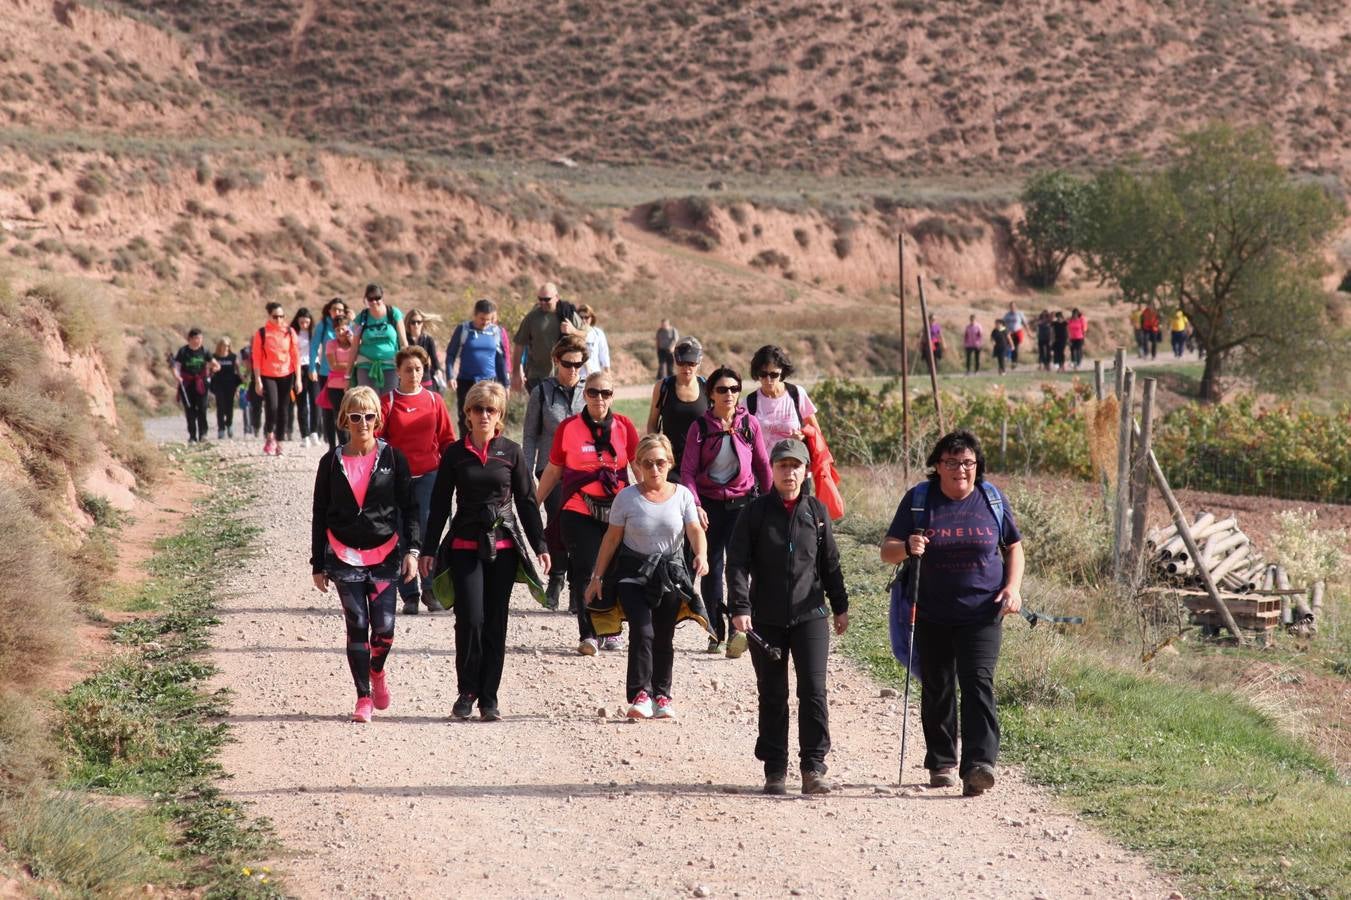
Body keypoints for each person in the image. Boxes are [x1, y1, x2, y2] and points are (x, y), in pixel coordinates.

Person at [879, 430, 1024, 797]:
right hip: (931, 611)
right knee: (938, 686)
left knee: (978, 684)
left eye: (968, 463)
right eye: (952, 462)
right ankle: (942, 762)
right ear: (938, 466)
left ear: (977, 466)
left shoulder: (992, 499)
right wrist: (909, 547)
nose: (960, 469)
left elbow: (1014, 546)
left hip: (983, 612)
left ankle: (978, 765)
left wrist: (1013, 588)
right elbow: (888, 551)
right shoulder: (919, 499)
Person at [420, 382, 549, 721]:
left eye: (490, 410)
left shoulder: (512, 451)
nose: (484, 415)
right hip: (464, 545)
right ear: (468, 414)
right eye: (478, 409)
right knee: (470, 620)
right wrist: (428, 548)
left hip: (504, 548)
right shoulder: (454, 454)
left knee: (496, 622)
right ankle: (467, 691)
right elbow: (438, 504)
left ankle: (489, 698)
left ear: (500, 415)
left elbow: (527, 501)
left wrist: (540, 545)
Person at [728, 438, 849, 795]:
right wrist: (739, 607)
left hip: (810, 614)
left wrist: (840, 606)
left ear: (805, 470)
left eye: (796, 466)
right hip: (764, 618)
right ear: (773, 470)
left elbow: (830, 564)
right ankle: (775, 769)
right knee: (773, 692)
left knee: (813, 691)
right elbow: (737, 564)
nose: (789, 472)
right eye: (782, 465)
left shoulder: (816, 512)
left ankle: (813, 768)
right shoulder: (754, 513)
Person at [310, 386, 421, 723]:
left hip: (386, 555)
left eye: (369, 416)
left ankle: (377, 672)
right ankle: (363, 697)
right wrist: (318, 562)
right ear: (344, 419)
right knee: (357, 624)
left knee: (384, 628)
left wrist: (413, 550)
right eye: (355, 416)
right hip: (343, 557)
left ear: (378, 419)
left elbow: (410, 507)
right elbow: (319, 513)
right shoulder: (330, 462)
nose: (362, 423)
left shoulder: (392, 459)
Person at [585, 434, 710, 720]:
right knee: (643, 631)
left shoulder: (682, 496)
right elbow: (612, 539)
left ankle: (662, 695)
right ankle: (640, 694)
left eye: (660, 463)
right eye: (647, 463)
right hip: (632, 575)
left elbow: (694, 530)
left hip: (669, 575)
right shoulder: (626, 498)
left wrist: (701, 555)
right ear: (638, 465)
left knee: (664, 637)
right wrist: (597, 577)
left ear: (670, 463)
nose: (654, 469)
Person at [536, 371, 640, 655]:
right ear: (585, 394)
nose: (599, 398)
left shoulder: (624, 426)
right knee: (585, 569)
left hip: (617, 511)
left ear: (612, 396)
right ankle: (589, 632)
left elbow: (638, 464)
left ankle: (612, 629)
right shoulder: (568, 428)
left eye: (605, 393)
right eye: (593, 392)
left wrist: (654, 499)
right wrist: (534, 503)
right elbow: (555, 469)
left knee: (615, 569)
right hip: (578, 508)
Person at [680, 366, 771, 657]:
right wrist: (694, 504)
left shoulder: (750, 424)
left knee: (738, 568)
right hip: (709, 507)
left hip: (743, 505)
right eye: (722, 389)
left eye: (734, 389)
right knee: (711, 568)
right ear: (711, 394)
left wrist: (771, 503)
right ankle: (715, 632)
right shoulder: (700, 427)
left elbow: (763, 466)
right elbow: (688, 471)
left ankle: (736, 631)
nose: (729, 394)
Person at [379, 346, 456, 615]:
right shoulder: (387, 402)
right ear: (398, 371)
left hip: (429, 476)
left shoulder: (434, 401)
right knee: (400, 533)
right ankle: (409, 594)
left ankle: (430, 588)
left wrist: (455, 472)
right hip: (397, 479)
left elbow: (447, 440)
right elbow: (376, 442)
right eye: (408, 369)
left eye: (419, 369)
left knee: (426, 531)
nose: (414, 373)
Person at [522, 335, 589, 611]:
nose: (573, 369)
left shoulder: (590, 391)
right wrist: (525, 474)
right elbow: (529, 436)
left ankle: (577, 586)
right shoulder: (542, 392)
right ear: (555, 361)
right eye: (567, 363)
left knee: (581, 528)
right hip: (550, 470)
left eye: (578, 364)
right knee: (559, 523)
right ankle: (557, 578)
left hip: (584, 471)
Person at [445, 299, 509, 436]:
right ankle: (465, 449)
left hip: (489, 383)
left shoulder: (496, 332)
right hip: (466, 382)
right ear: (474, 314)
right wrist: (450, 376)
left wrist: (505, 384)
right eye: (482, 318)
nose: (485, 322)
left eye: (489, 319)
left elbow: (501, 360)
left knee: (491, 417)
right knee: (466, 418)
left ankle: (491, 449)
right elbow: (451, 354)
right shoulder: (463, 329)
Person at [645, 336, 707, 478]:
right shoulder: (663, 387)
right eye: (682, 362)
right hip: (671, 463)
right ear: (675, 360)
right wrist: (659, 450)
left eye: (691, 362)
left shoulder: (707, 387)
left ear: (699, 362)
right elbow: (652, 423)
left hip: (702, 463)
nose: (686, 367)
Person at [745, 345, 820, 449]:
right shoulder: (748, 402)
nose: (768, 380)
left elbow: (816, 431)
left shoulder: (797, 394)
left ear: (782, 372)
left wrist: (803, 437)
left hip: (794, 463)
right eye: (763, 374)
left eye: (774, 375)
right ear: (757, 373)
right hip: (763, 465)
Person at [250, 302, 301, 456]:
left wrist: (298, 379)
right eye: (275, 316)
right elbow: (256, 358)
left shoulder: (290, 332)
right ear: (269, 316)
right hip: (268, 374)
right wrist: (258, 380)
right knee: (272, 406)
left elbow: (295, 356)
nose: (279, 319)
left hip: (287, 374)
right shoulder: (262, 333)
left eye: (281, 316)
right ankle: (270, 436)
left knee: (284, 409)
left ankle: (280, 441)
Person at [513, 282, 580, 393]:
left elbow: (587, 335)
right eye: (540, 299)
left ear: (557, 298)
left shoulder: (567, 313)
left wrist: (573, 331)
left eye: (547, 299)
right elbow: (519, 343)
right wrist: (515, 373)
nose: (543, 302)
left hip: (564, 375)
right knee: (542, 408)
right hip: (537, 375)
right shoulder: (532, 317)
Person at [352, 283, 406, 393]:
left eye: (377, 298)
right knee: (368, 404)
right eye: (370, 299)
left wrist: (405, 366)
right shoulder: (362, 318)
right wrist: (347, 375)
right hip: (366, 366)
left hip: (391, 366)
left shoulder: (393, 313)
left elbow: (404, 343)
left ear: (382, 297)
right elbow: (354, 347)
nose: (374, 302)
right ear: (366, 299)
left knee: (389, 402)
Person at [311, 298, 348, 448]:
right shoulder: (324, 325)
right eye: (334, 309)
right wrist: (312, 367)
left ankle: (346, 443)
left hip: (347, 378)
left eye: (340, 310)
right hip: (327, 373)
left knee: (345, 411)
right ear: (329, 310)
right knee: (328, 410)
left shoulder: (349, 327)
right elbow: (314, 345)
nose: (337, 312)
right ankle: (332, 445)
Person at [322, 316, 358, 450]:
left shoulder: (354, 343)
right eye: (337, 330)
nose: (340, 332)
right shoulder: (331, 344)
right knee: (339, 415)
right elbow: (334, 366)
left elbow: (360, 357)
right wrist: (352, 364)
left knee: (353, 414)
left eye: (343, 329)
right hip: (335, 386)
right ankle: (343, 446)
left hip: (353, 384)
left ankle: (353, 443)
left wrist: (351, 341)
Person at [173, 327, 212, 443]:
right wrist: (177, 376)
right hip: (187, 384)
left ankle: (203, 434)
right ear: (190, 339)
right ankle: (192, 436)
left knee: (202, 409)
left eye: (200, 338)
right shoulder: (183, 352)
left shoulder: (205, 351)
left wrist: (215, 367)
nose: (198, 341)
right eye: (196, 338)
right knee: (190, 410)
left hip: (201, 384)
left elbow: (213, 363)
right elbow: (176, 366)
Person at [290, 308, 318, 447]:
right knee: (301, 403)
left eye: (307, 322)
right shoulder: (293, 333)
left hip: (313, 366)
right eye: (301, 322)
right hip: (298, 367)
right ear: (297, 321)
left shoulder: (314, 332)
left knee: (315, 401)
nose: (304, 325)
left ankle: (314, 431)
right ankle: (304, 435)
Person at [210, 336, 242, 439]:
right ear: (220, 346)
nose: (226, 348)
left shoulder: (233, 357)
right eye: (224, 346)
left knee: (229, 406)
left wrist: (242, 381)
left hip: (230, 384)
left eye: (227, 346)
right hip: (219, 384)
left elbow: (238, 371)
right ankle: (221, 428)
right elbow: (210, 370)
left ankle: (229, 425)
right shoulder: (215, 357)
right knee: (220, 406)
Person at [403, 309, 442, 391]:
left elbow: (434, 359)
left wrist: (438, 370)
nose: (416, 325)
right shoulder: (404, 339)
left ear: (422, 323)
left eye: (419, 322)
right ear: (408, 324)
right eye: (413, 322)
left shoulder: (428, 339)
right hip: (409, 377)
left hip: (425, 377)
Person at [576, 304, 611, 376]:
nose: (583, 320)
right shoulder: (573, 332)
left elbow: (604, 354)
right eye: (581, 317)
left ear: (591, 318)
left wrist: (608, 374)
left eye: (586, 317)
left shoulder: (597, 333)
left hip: (594, 375)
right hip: (578, 376)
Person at [1002, 302, 1027, 369]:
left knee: (1015, 348)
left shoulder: (1019, 314)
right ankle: (1008, 360)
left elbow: (1024, 323)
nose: (1012, 307)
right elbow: (1003, 324)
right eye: (1011, 306)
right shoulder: (1007, 315)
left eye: (1013, 306)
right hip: (1009, 334)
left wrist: (1028, 332)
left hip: (1017, 333)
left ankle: (1014, 362)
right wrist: (1001, 331)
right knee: (1008, 347)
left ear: (1015, 306)